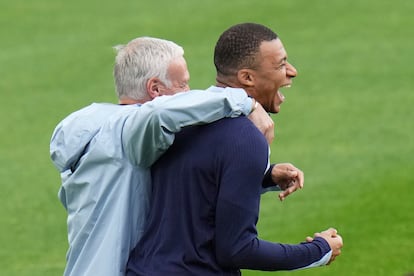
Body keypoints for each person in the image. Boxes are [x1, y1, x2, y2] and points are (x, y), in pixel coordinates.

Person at [50, 36, 299, 276]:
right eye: (183, 85)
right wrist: (247, 101)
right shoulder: (128, 133)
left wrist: (264, 177)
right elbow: (160, 115)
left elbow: (175, 180)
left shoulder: (104, 131)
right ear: (155, 89)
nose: (190, 92)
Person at [126, 23, 343, 275]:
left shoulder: (177, 121)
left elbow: (195, 185)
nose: (292, 72)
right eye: (281, 64)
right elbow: (237, 248)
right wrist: (319, 250)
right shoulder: (246, 138)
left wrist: (265, 177)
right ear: (247, 77)